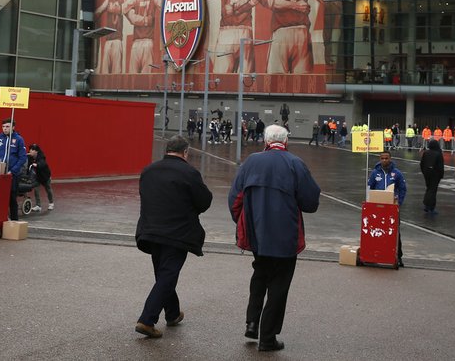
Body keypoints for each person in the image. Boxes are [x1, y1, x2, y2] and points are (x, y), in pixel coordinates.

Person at [229, 125, 320, 353]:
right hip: (285, 235)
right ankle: (267, 338)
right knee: (279, 286)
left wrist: (243, 222)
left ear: (265, 141)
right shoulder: (295, 163)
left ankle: (252, 322)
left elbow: (235, 199)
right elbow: (310, 201)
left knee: (260, 274)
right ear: (286, 141)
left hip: (257, 233)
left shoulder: (251, 162)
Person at [134, 135, 212, 339]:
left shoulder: (148, 170)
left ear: (166, 149)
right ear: (185, 152)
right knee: (168, 275)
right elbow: (204, 202)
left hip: (150, 231)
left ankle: (173, 313)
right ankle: (146, 319)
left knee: (163, 274)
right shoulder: (189, 172)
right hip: (177, 233)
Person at [367, 150, 407, 265]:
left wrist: (399, 202)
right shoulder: (375, 173)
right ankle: (375, 254)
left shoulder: (397, 173)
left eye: (386, 158)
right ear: (380, 159)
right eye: (382, 158)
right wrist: (369, 202)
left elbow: (403, 189)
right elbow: (370, 188)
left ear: (390, 159)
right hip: (378, 208)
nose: (384, 160)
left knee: (395, 232)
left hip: (392, 208)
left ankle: (398, 256)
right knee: (376, 231)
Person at [123, 0, 162, 74]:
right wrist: (145, 20)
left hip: (136, 42)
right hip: (148, 42)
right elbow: (164, 6)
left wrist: (134, 18)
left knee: (132, 77)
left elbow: (124, 8)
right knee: (145, 78)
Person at [0, 119, 26, 221]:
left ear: (13, 127)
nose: (5, 129)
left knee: (11, 198)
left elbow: (22, 157)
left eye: (7, 127)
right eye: (3, 127)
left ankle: (14, 221)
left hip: (12, 175)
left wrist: (13, 170)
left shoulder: (19, 139)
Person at [93, 0, 126, 74]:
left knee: (105, 72)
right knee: (116, 74)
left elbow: (100, 10)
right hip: (117, 39)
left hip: (108, 40)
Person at [23, 143, 54, 212]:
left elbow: (42, 163)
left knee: (48, 189)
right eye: (30, 150)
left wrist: (37, 164)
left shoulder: (41, 156)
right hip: (37, 176)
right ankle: (38, 205)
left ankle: (51, 203)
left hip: (45, 176)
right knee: (36, 190)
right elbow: (28, 166)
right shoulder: (30, 156)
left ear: (36, 151)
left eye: (32, 150)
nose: (30, 151)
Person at [419, 139, 445, 214]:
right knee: (433, 190)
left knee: (429, 188)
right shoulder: (438, 153)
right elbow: (440, 166)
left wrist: (424, 171)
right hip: (435, 174)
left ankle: (427, 204)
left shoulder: (426, 152)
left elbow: (422, 163)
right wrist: (441, 174)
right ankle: (430, 206)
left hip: (427, 173)